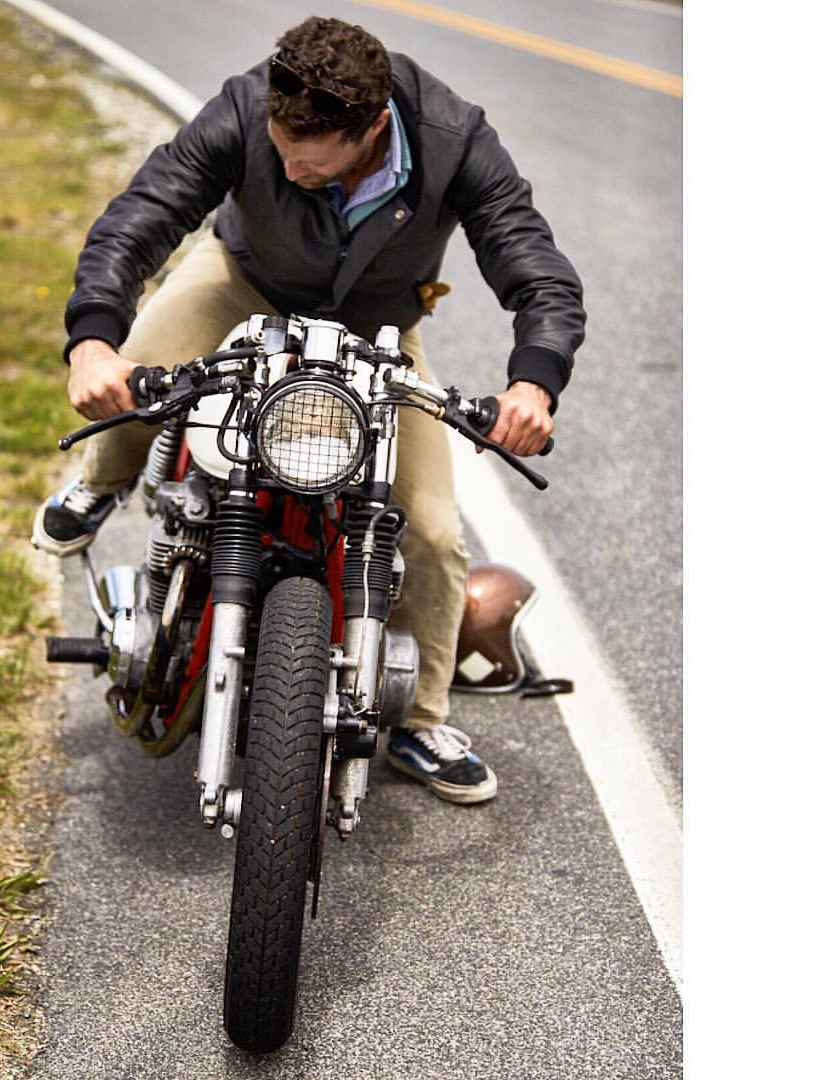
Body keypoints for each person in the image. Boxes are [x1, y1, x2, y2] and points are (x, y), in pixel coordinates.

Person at [33, 15, 585, 805]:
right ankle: (99, 484)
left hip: (378, 328)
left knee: (428, 531)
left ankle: (421, 722)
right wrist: (91, 341)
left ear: (370, 129)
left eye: (311, 162)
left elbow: (538, 271)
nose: (288, 166)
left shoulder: (456, 139)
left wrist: (534, 383)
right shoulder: (246, 106)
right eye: (280, 148)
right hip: (242, 280)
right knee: (138, 375)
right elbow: (141, 217)